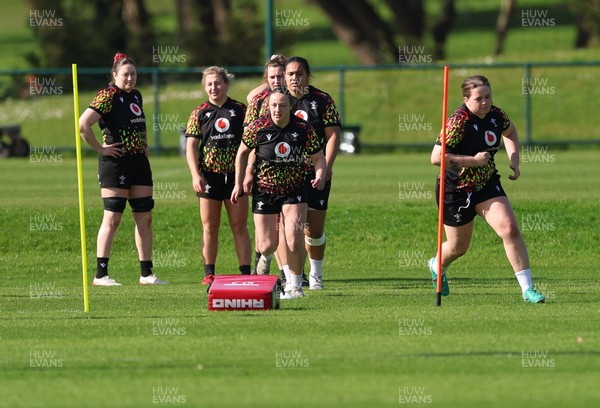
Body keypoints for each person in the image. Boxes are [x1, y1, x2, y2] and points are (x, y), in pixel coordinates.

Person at [429, 75, 545, 303]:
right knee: (458, 248)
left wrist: (515, 159)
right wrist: (472, 161)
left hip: (486, 183)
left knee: (509, 229)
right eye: (479, 98)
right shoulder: (458, 121)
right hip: (456, 189)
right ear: (466, 99)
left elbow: (510, 132)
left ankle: (527, 289)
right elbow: (436, 158)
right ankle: (437, 265)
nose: (485, 102)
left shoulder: (496, 115)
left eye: (488, 96)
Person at [79, 52, 167, 286]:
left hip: (139, 162)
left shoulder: (136, 96)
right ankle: (101, 275)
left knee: (144, 218)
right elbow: (83, 124)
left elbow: (140, 123)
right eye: (125, 74)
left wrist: (144, 144)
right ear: (115, 75)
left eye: (133, 74)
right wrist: (100, 149)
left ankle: (146, 274)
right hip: (116, 162)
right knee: (113, 217)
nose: (130, 78)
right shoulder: (107, 96)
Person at [231, 89, 327, 299]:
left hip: (295, 190)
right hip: (264, 190)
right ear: (268, 106)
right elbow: (241, 153)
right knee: (267, 244)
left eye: (282, 105)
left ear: (290, 106)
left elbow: (319, 158)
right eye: (273, 105)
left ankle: (294, 286)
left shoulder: (303, 128)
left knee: (294, 238)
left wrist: (320, 175)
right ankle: (264, 260)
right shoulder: (258, 127)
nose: (277, 109)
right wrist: (238, 183)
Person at [185, 66, 252, 285]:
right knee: (209, 226)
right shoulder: (199, 112)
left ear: (226, 84)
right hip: (209, 177)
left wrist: (246, 175)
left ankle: (245, 273)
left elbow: (251, 144)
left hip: (236, 177)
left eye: (218, 83)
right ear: (205, 87)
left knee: (239, 226)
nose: (214, 88)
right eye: (209, 84)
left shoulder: (240, 109)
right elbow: (191, 147)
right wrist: (195, 175)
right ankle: (209, 273)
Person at [283, 56, 341, 291]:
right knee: (288, 227)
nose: (295, 78)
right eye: (290, 74)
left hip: (315, 171)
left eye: (299, 74)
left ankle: (316, 274)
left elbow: (333, 135)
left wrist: (326, 165)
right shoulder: (277, 100)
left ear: (307, 76)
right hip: (285, 173)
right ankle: (291, 276)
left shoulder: (322, 100)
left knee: (313, 228)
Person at [242, 55, 288, 278]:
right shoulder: (258, 100)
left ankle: (287, 271)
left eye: (281, 75)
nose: (277, 80)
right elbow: (249, 140)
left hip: (292, 168)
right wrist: (249, 170)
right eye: (272, 76)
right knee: (269, 224)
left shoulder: (296, 98)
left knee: (291, 224)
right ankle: (264, 268)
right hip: (264, 170)